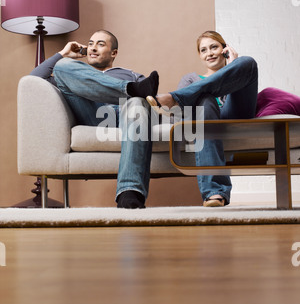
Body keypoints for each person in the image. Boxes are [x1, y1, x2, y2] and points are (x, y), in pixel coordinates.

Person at [30, 29, 159, 209]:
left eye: (100, 44)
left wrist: (139, 96)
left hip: (127, 118)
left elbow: (153, 102)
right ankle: (129, 90)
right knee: (62, 65)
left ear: (113, 53)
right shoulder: (74, 74)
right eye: (90, 43)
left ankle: (129, 193)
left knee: (138, 102)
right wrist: (63, 54)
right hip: (93, 115)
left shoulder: (132, 75)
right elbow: (33, 80)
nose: (93, 48)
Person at [147, 30, 258, 207]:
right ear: (200, 55)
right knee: (205, 99)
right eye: (204, 50)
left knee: (248, 62)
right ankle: (215, 193)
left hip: (234, 115)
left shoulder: (237, 72)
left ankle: (174, 97)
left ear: (225, 49)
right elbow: (182, 115)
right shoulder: (191, 79)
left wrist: (232, 64)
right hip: (205, 120)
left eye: (214, 47)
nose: (210, 53)